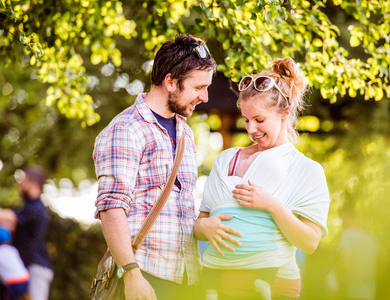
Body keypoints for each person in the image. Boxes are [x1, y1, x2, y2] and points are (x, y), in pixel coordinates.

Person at [194, 57, 330, 300]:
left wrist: (271, 205)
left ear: (284, 114)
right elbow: (200, 223)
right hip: (216, 283)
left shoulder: (307, 170)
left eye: (259, 120)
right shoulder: (225, 160)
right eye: (246, 120)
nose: (250, 129)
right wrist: (203, 227)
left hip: (274, 283)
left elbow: (310, 243)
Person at [93, 33, 216, 300]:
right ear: (170, 81)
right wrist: (131, 272)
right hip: (144, 276)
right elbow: (111, 207)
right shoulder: (126, 129)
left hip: (185, 279)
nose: (205, 96)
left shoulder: (186, 133)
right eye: (198, 88)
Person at [0, 166, 53, 300]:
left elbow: (3, 217)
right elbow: (2, 222)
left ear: (33, 184)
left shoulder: (37, 208)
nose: (20, 183)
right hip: (24, 268)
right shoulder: (27, 207)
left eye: (23, 180)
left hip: (36, 268)